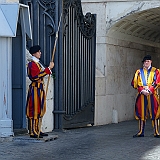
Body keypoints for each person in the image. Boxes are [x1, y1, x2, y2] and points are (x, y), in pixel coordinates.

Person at [26, 45, 54, 138]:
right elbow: (35, 76)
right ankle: (33, 131)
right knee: (34, 109)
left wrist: (48, 70)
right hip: (35, 89)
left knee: (40, 109)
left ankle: (38, 129)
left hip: (39, 89)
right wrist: (48, 69)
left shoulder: (36, 63)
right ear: (34, 53)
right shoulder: (32, 64)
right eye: (38, 52)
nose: (40, 53)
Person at [131, 55, 160, 138]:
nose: (146, 63)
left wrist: (150, 90)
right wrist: (142, 90)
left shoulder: (156, 71)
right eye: (145, 62)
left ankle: (156, 132)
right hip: (142, 94)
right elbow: (134, 83)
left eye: (148, 61)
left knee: (155, 112)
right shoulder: (138, 72)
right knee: (141, 113)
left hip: (152, 94)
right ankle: (141, 132)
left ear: (151, 62)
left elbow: (157, 81)